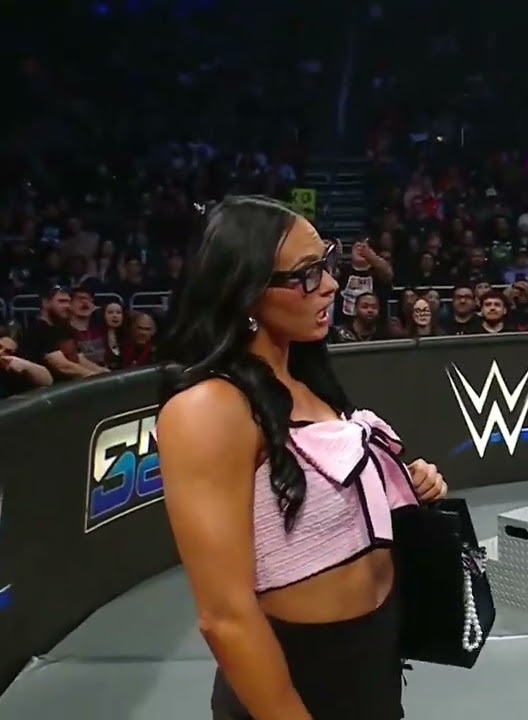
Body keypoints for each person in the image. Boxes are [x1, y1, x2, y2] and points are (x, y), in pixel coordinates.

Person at [154, 196, 449, 720]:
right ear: (246, 290)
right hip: (293, 681)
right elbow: (225, 615)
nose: (331, 284)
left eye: (327, 263)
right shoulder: (209, 408)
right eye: (307, 274)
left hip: (374, 665)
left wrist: (406, 483)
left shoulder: (310, 381)